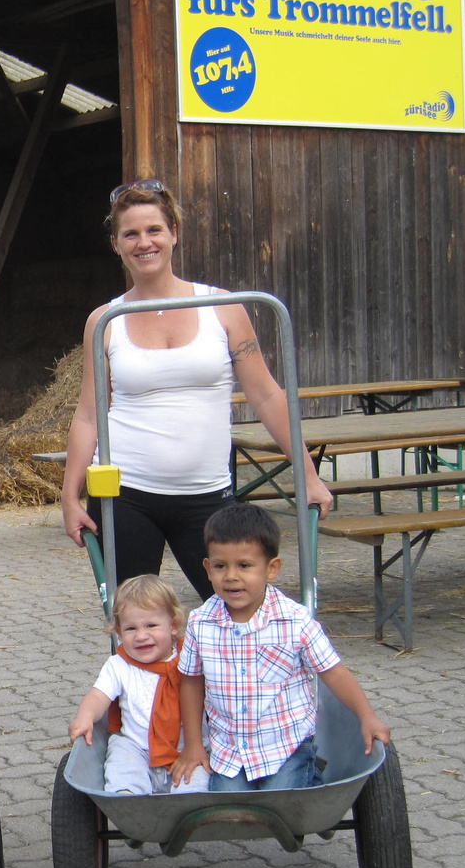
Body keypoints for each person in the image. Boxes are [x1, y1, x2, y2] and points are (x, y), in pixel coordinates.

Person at [59, 179, 333, 599]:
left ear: (174, 234)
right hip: (126, 494)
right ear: (116, 244)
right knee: (136, 621)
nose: (143, 242)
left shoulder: (221, 306)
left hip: (207, 493)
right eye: (130, 234)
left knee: (235, 611)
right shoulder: (104, 320)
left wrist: (308, 474)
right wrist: (70, 496)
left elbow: (266, 395)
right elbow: (89, 414)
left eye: (154, 230)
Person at [171, 504, 391, 791]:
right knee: (228, 802)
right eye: (220, 566)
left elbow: (334, 673)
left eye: (245, 566)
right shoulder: (201, 622)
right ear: (207, 568)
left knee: (282, 795)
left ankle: (311, 772)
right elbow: (190, 681)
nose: (231, 576)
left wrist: (367, 716)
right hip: (230, 749)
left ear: (271, 568)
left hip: (285, 745)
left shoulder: (294, 620)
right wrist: (193, 746)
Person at [67, 574, 210, 795]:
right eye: (131, 629)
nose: (141, 636)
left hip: (187, 749)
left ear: (174, 625)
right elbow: (98, 696)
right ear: (119, 632)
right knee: (121, 761)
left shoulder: (191, 658)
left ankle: (188, 807)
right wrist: (85, 716)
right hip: (136, 748)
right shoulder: (120, 665)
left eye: (151, 625)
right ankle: (128, 796)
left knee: (198, 780)